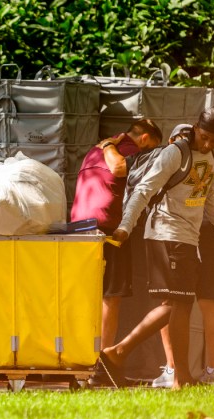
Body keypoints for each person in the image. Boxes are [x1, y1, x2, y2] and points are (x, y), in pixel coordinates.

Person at [101, 106, 214, 389]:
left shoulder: (213, 153)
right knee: (180, 303)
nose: (209, 143)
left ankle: (120, 353)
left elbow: (208, 194)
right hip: (165, 232)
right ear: (196, 128)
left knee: (178, 305)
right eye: (205, 137)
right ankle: (175, 375)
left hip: (188, 237)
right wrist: (126, 225)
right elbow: (144, 190)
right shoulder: (175, 153)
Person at [150, 124, 214, 388]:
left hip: (182, 235)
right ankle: (211, 371)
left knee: (171, 300)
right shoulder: (211, 157)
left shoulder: (179, 157)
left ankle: (173, 368)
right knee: (203, 301)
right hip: (205, 234)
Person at [70, 119, 163, 350]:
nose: (149, 151)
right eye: (151, 145)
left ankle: (77, 352)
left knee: (84, 295)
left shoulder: (95, 150)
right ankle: (102, 359)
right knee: (111, 296)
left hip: (77, 228)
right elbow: (120, 168)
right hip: (108, 229)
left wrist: (108, 145)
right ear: (143, 138)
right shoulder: (131, 150)